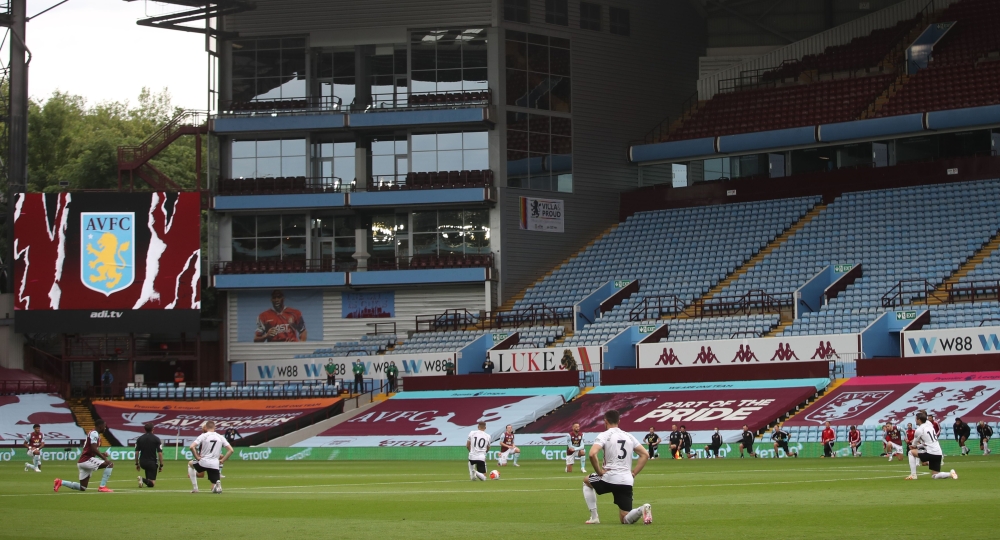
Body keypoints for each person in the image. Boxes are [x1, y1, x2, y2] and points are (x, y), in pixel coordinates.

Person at [581, 409, 652, 525]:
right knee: (625, 519)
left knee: (586, 481)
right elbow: (645, 454)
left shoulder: (604, 435)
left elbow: (592, 454)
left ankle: (594, 517)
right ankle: (642, 509)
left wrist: (599, 472)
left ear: (605, 421)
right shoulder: (629, 436)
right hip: (626, 480)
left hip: (609, 478)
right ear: (619, 421)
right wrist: (634, 473)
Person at [54, 419, 114, 493]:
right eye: (104, 426)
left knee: (82, 487)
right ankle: (102, 487)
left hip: (82, 461)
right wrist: (104, 458)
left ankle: (61, 482)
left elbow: (91, 449)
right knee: (109, 464)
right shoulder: (94, 433)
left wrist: (102, 454)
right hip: (86, 460)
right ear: (100, 426)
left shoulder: (93, 433)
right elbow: (93, 449)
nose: (105, 428)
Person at [905, 411, 957, 481]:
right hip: (938, 453)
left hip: (930, 453)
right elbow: (927, 443)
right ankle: (950, 474)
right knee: (935, 475)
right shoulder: (929, 425)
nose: (915, 420)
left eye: (916, 419)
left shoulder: (919, 430)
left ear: (919, 420)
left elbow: (914, 444)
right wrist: (917, 447)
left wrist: (914, 446)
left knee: (911, 452)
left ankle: (913, 475)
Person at [187, 421, 233, 493]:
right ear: (214, 427)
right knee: (213, 487)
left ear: (206, 427)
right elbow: (231, 450)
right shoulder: (220, 437)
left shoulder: (203, 436)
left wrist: (197, 457)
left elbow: (191, 447)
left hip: (203, 462)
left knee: (190, 464)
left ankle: (195, 488)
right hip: (215, 464)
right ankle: (216, 485)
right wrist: (222, 460)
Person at [134, 423, 163, 488]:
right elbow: (160, 453)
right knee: (152, 484)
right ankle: (142, 479)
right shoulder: (156, 439)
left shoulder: (140, 439)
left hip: (143, 462)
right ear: (153, 429)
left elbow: (136, 452)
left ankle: (144, 481)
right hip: (152, 462)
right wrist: (161, 465)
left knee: (149, 483)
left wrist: (137, 464)